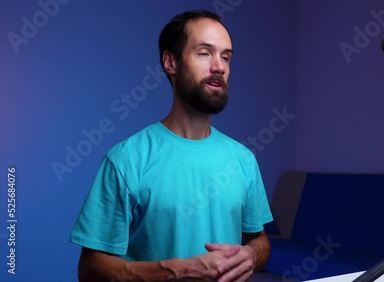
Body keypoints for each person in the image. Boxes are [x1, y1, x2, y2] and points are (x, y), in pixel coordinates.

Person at [70, 9, 273, 282]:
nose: (219, 67)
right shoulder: (126, 159)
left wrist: (251, 256)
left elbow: (259, 240)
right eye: (204, 53)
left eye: (225, 56)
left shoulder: (244, 159)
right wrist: (178, 270)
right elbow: (90, 269)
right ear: (170, 62)